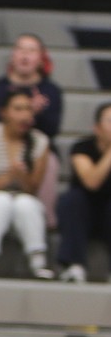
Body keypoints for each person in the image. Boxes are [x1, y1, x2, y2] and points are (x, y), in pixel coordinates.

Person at [0, 88, 53, 279]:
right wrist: (8, 178)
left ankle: (37, 260)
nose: (24, 115)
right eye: (18, 109)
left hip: (21, 201)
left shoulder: (39, 141)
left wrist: (22, 177)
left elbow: (33, 189)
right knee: (0, 201)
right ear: (4, 112)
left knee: (26, 204)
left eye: (28, 109)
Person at [0, 34, 64, 225]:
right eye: (20, 49)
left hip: (37, 149)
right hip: (1, 146)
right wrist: (20, 115)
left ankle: (45, 219)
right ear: (12, 56)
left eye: (32, 50)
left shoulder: (51, 90)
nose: (25, 55)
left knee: (49, 160)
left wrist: (35, 115)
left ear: (41, 59)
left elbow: (52, 130)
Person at [55, 102, 111, 283]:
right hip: (84, 214)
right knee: (72, 200)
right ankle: (74, 266)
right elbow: (92, 182)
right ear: (97, 128)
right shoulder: (82, 147)